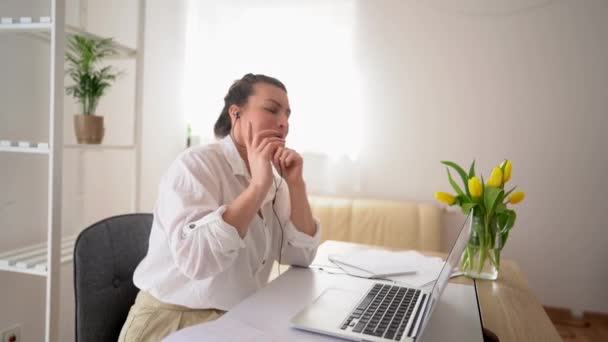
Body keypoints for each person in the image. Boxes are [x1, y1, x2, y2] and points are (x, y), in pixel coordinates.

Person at [118, 73, 321, 341]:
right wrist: (257, 187)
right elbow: (197, 261)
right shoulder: (195, 165)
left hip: (236, 319)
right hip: (174, 321)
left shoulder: (274, 180)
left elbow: (301, 256)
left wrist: (296, 184)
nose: (283, 123)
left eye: (287, 115)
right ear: (235, 113)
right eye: (271, 110)